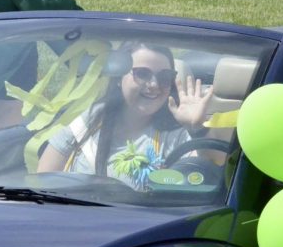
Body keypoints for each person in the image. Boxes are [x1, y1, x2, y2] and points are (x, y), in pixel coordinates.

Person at [37, 42, 213, 190]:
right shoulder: (89, 120)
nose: (154, 84)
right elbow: (41, 185)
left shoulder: (177, 133)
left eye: (165, 76)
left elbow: (212, 176)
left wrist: (197, 128)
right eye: (142, 74)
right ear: (119, 77)